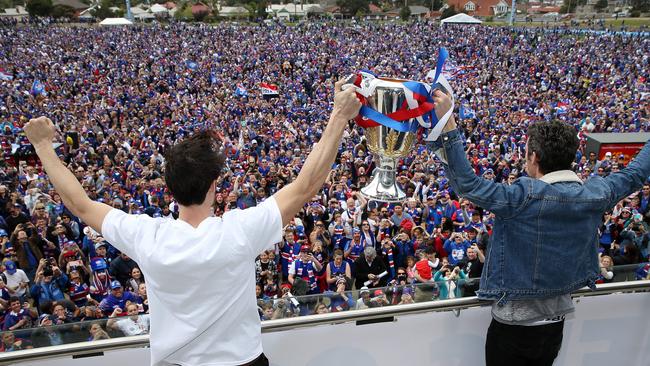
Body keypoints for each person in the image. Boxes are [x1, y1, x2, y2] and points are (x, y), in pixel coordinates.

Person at [23, 80, 360, 366]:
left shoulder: (147, 236)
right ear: (215, 184)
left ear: (169, 187)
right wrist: (339, 115)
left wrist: (43, 146)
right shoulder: (239, 231)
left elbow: (80, 204)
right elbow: (306, 185)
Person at [431, 89, 650, 366]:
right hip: (555, 326)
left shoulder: (520, 198)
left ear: (533, 157)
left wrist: (448, 123)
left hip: (512, 328)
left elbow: (469, 185)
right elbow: (635, 173)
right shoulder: (597, 193)